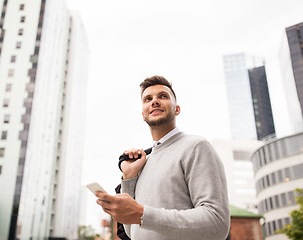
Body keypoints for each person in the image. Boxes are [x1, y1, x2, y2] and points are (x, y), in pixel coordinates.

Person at [96, 76, 230, 240]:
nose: (154, 101)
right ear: (143, 114)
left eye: (163, 96)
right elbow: (133, 233)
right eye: (148, 99)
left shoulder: (196, 146)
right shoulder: (142, 163)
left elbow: (217, 223)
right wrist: (129, 177)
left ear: (177, 109)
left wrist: (141, 214)